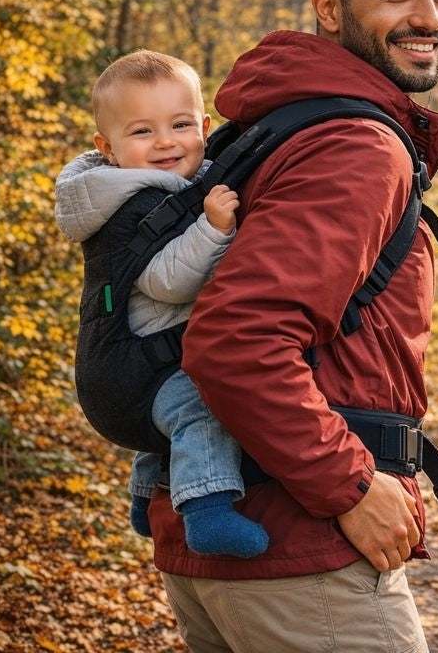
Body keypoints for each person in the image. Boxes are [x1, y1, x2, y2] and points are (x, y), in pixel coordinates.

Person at [144, 0, 438, 653]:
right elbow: (236, 338)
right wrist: (349, 486)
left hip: (225, 539)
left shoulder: (277, 121)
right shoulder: (355, 142)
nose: (428, 16)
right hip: (300, 552)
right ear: (327, 6)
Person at [54, 50, 269, 559]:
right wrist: (213, 228)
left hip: (129, 370)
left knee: (173, 423)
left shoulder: (163, 186)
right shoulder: (136, 202)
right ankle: (208, 512)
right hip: (143, 372)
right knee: (205, 406)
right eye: (142, 132)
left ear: (204, 125)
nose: (166, 142)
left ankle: (146, 500)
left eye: (179, 124)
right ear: (107, 147)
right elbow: (168, 281)